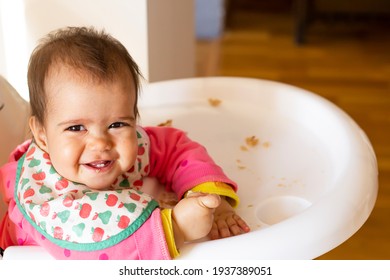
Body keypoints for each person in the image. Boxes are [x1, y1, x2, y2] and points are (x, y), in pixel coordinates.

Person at [0, 27, 249, 260]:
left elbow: (174, 147)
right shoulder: (47, 204)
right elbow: (104, 249)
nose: (101, 142)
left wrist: (207, 193)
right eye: (76, 128)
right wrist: (178, 227)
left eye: (117, 124)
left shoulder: (120, 145)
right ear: (42, 135)